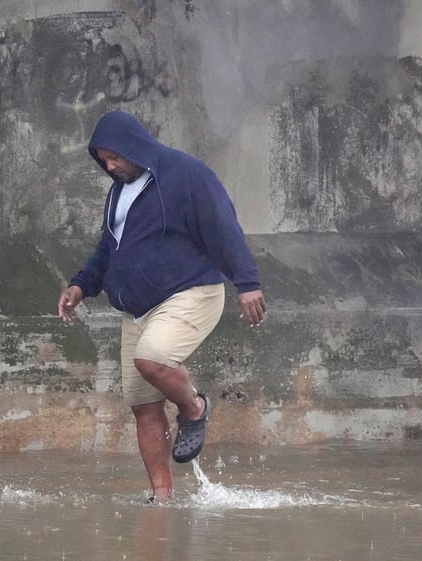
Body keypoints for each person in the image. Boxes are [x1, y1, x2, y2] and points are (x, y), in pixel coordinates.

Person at [57, 111, 266, 501]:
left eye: (114, 157)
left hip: (191, 292)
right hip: (137, 308)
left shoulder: (187, 174)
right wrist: (81, 285)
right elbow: (108, 247)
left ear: (133, 145)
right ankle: (162, 498)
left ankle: (195, 409)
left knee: (152, 359)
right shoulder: (119, 189)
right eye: (102, 159)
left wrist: (248, 283)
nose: (109, 165)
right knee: (143, 405)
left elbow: (223, 226)